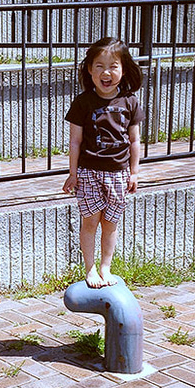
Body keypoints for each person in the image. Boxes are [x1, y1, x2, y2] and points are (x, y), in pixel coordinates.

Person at [63, 38, 144, 288]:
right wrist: (73, 173)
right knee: (90, 222)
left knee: (110, 224)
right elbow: (75, 142)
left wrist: (134, 172)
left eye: (113, 66)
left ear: (124, 69)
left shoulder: (130, 101)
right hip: (89, 172)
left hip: (119, 174)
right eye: (99, 66)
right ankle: (90, 270)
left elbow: (134, 140)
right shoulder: (83, 102)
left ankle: (105, 268)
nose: (106, 73)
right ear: (89, 69)